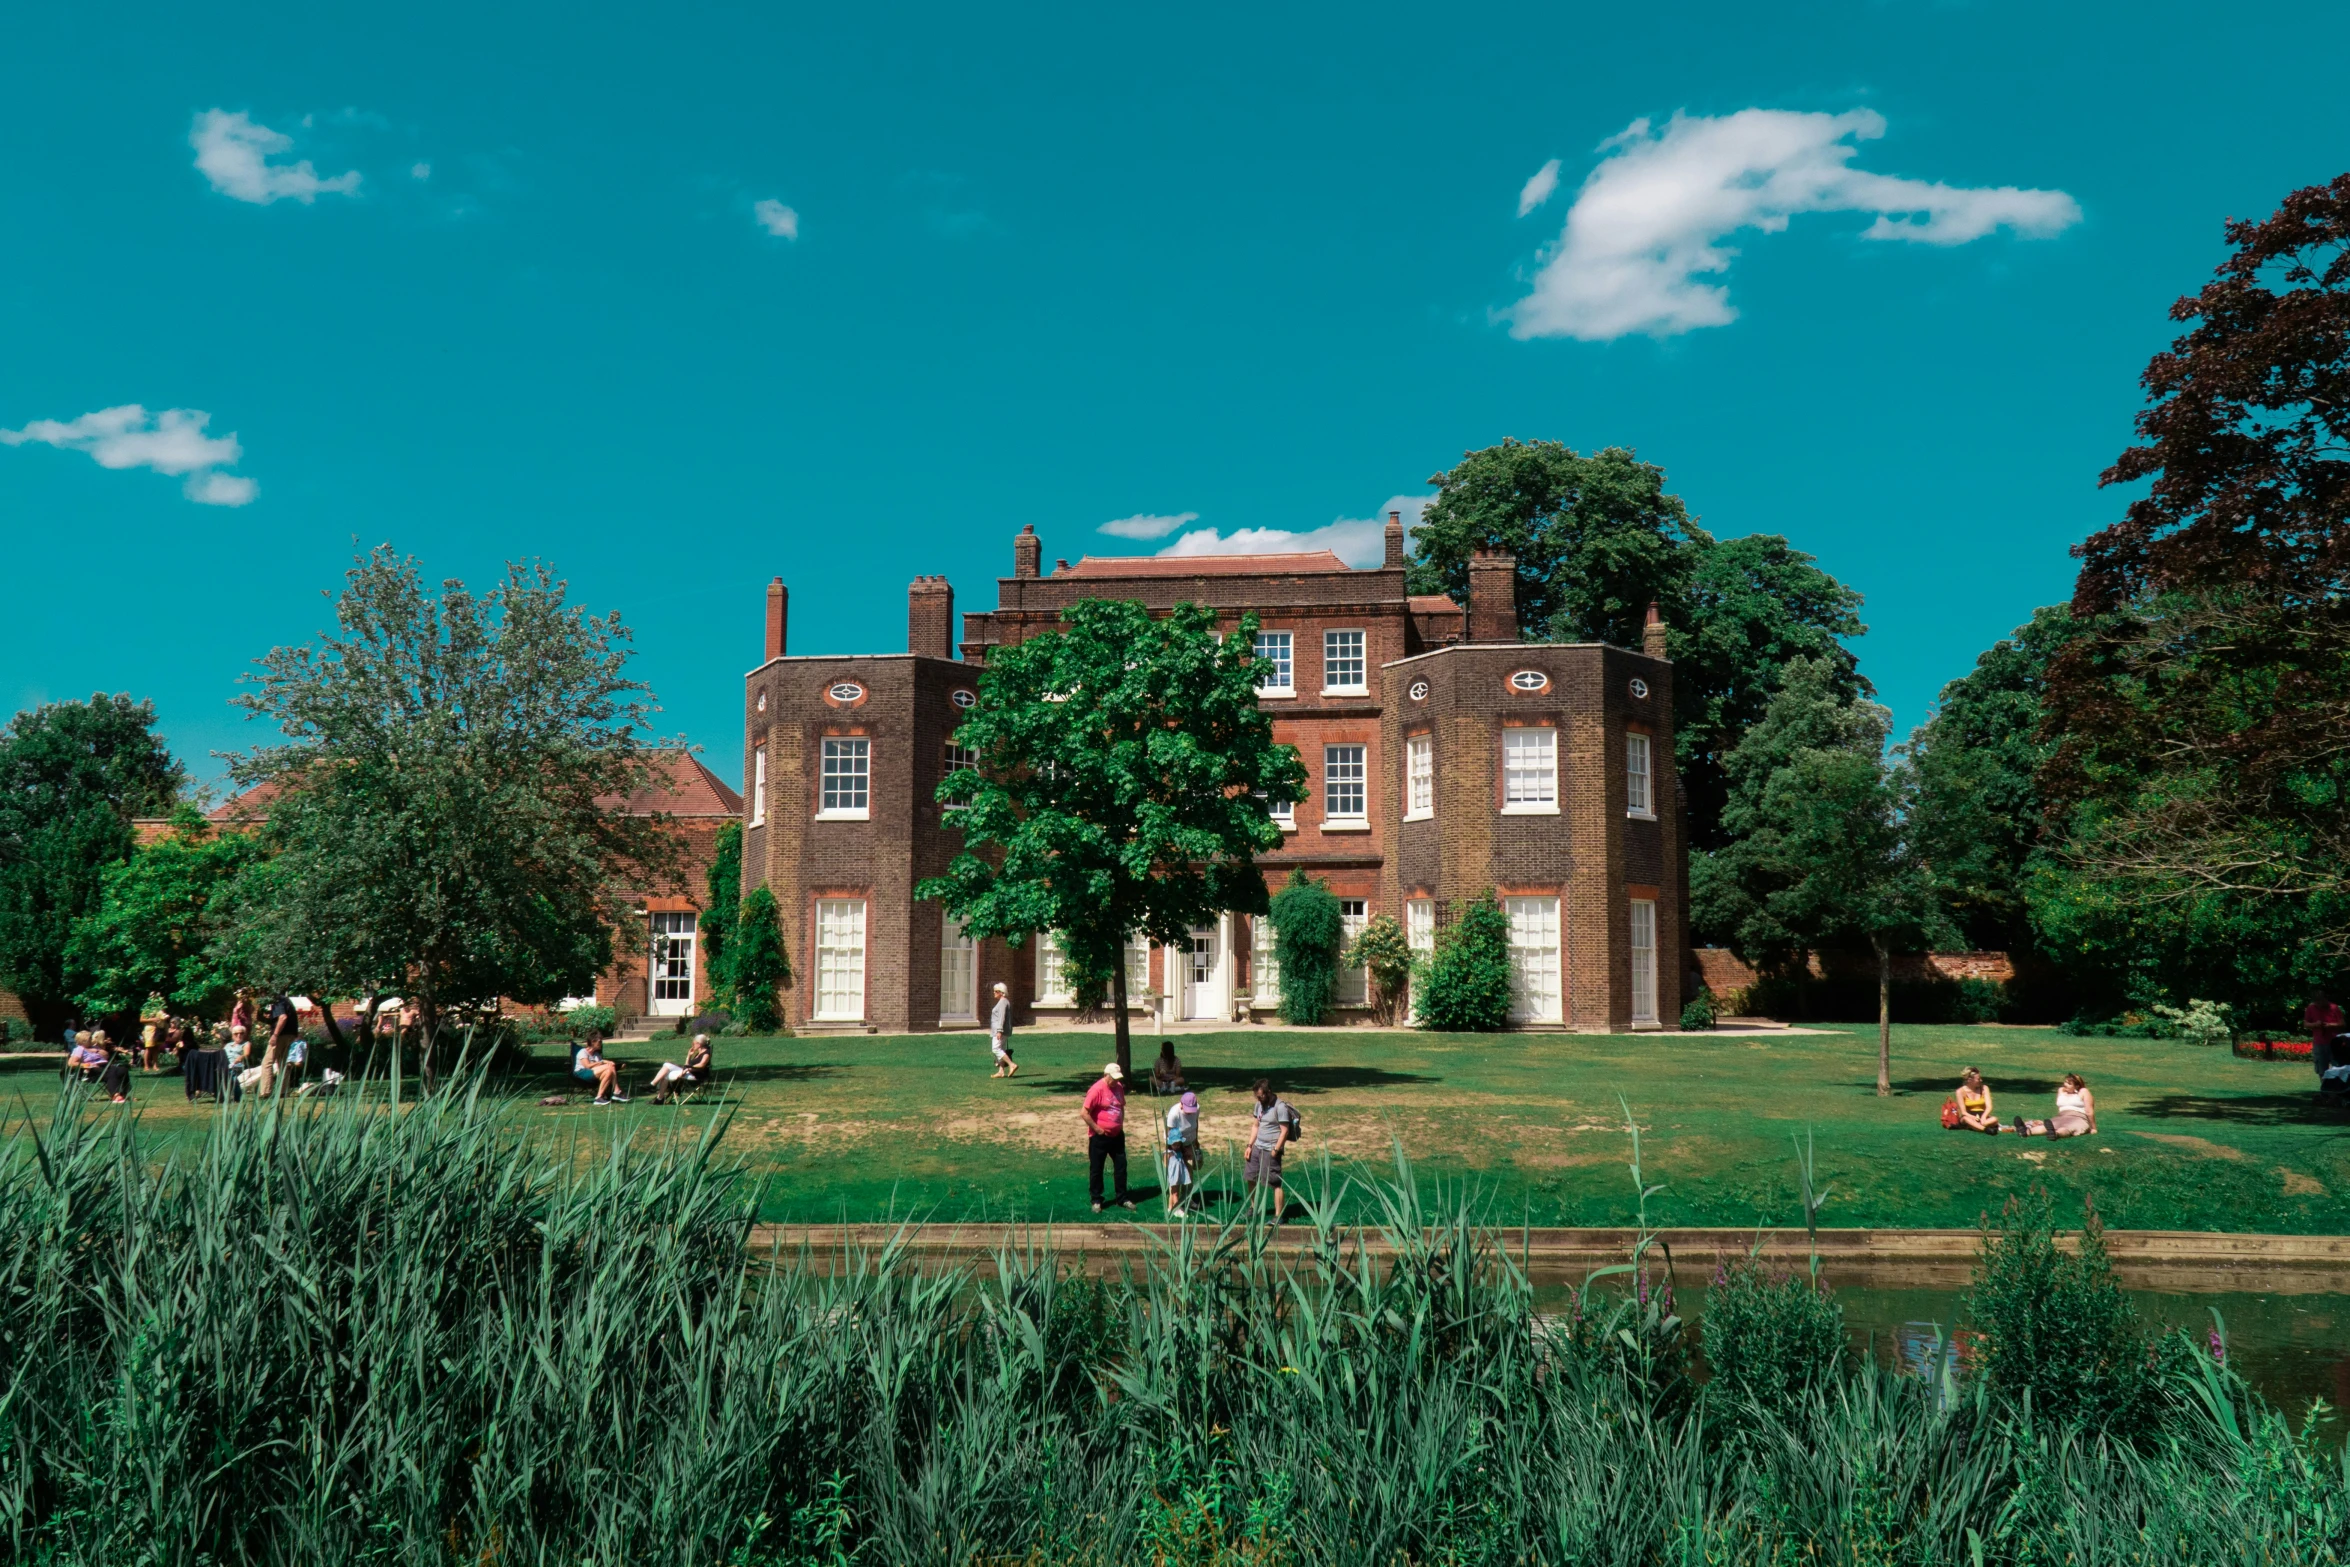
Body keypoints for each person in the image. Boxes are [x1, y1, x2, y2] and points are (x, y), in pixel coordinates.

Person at [1245, 1078, 1302, 1221]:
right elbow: (1255, 1126)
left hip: (1271, 1149)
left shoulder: (1280, 1107)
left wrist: (1276, 1149)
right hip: (1257, 1147)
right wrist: (1249, 1146)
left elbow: (1284, 1131)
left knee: (1275, 1182)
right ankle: (1254, 1207)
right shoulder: (1259, 1105)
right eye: (1257, 1096)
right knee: (1251, 1178)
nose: (1258, 1099)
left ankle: (1279, 1215)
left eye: (1261, 1096)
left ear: (1268, 1092)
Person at [1082, 1061, 1134, 1212]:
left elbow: (1121, 1107)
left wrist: (1120, 1124)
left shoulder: (1118, 1088)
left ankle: (1122, 1198)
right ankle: (1096, 1199)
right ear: (1106, 1075)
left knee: (1121, 1167)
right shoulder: (1096, 1089)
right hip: (1100, 1136)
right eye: (1114, 1078)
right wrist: (1097, 1129)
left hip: (1117, 1136)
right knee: (1097, 1168)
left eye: (1118, 1078)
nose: (1116, 1081)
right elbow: (1084, 1113)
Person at [1164, 1090, 1201, 1217]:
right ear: (1181, 1104)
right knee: (1176, 1177)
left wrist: (1196, 1142)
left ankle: (1188, 1199)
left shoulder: (1197, 1109)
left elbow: (1196, 1125)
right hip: (1175, 1148)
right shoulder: (1174, 1114)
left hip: (1189, 1143)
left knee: (1188, 1174)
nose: (1190, 1112)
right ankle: (1175, 1205)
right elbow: (1170, 1137)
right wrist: (1179, 1149)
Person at [647, 1033, 713, 1104]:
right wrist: (689, 1056)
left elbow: (702, 1065)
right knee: (665, 1071)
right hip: (689, 1072)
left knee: (666, 1066)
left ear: (699, 1044)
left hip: (696, 1075)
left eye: (693, 1044)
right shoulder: (698, 1054)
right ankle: (659, 1097)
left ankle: (654, 1089)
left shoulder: (706, 1053)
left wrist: (689, 1068)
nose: (692, 1045)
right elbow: (687, 1065)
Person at [573, 1031, 626, 1104]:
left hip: (593, 1074)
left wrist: (617, 1067)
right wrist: (603, 1062)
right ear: (592, 1042)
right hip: (582, 1073)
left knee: (609, 1071)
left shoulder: (596, 1054)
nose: (601, 1043)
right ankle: (617, 1091)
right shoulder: (582, 1052)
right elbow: (587, 1066)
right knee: (609, 1066)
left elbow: (601, 1068)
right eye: (599, 1041)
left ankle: (599, 1098)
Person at [2309, 990, 2346, 1080]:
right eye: (2317, 1002)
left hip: (2334, 1043)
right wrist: (2315, 1024)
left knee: (2337, 1067)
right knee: (2321, 1069)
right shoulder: (2311, 1008)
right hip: (2319, 1042)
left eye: (2321, 1001)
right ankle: (2325, 1090)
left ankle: (2336, 1090)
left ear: (2325, 999)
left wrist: (2330, 1025)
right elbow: (2306, 1024)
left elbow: (2342, 1023)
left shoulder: (2334, 1008)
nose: (2319, 1004)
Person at [1952, 1067, 1999, 1134]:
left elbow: (1989, 1107)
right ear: (1970, 1080)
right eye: (1978, 1079)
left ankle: (1976, 1126)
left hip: (1982, 1116)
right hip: (1969, 1116)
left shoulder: (1984, 1088)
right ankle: (1985, 1129)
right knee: (1966, 1119)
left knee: (1995, 1119)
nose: (1981, 1080)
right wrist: (1974, 1118)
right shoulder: (1960, 1091)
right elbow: (1963, 1112)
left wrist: (1983, 1117)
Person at [988, 982, 1017, 1077]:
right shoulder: (1003, 1002)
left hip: (1000, 1031)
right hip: (1003, 1030)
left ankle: (1012, 1065)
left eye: (996, 991)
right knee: (1002, 1049)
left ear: (1001, 992)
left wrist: (999, 1030)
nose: (994, 993)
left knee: (995, 1049)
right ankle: (1001, 1071)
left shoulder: (1003, 1002)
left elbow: (1001, 1017)